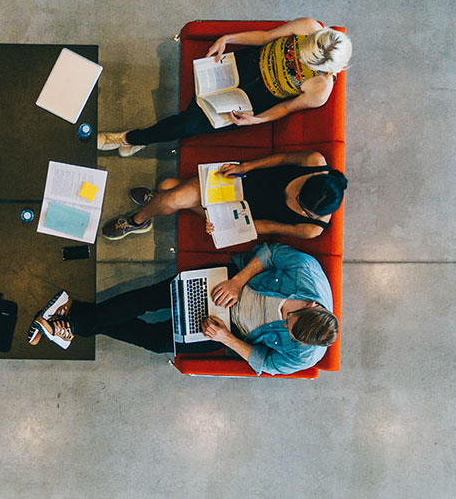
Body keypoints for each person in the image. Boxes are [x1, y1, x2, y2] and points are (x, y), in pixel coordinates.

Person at [29, 243, 338, 375]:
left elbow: (267, 364)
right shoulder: (306, 273)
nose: (284, 327)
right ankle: (75, 321)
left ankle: (73, 315)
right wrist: (237, 282)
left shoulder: (305, 353)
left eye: (290, 334)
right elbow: (270, 253)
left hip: (230, 330)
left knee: (158, 341)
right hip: (229, 282)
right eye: (290, 320)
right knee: (149, 300)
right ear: (311, 305)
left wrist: (225, 338)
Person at [96, 18, 351, 156]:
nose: (297, 58)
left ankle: (131, 137)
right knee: (193, 107)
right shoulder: (308, 27)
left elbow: (285, 107)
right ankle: (149, 135)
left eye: (304, 61)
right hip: (248, 63)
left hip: (258, 97)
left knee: (188, 125)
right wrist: (227, 38)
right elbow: (266, 36)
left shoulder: (321, 88)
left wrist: (256, 121)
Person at [101, 150, 345, 241]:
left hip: (238, 213)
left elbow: (269, 226)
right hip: (235, 183)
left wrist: (226, 226)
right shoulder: (314, 162)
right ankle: (140, 219)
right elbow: (281, 159)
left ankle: (141, 218)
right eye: (300, 199)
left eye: (304, 210)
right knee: (168, 194)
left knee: (167, 190)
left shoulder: (311, 228)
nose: (298, 207)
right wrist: (246, 166)